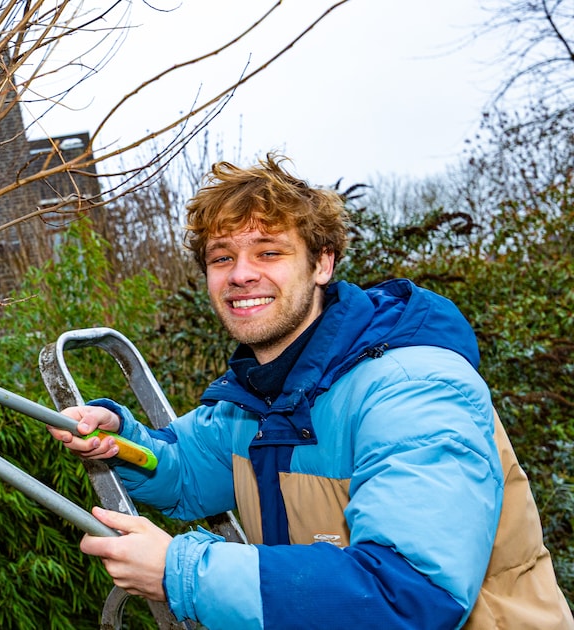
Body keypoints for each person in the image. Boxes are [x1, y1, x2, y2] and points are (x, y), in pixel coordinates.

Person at [48, 154, 573, 629]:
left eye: (269, 252)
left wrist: (183, 573)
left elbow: (410, 594)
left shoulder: (413, 390)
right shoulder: (254, 400)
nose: (242, 275)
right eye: (222, 257)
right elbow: (187, 469)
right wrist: (122, 442)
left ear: (322, 264)